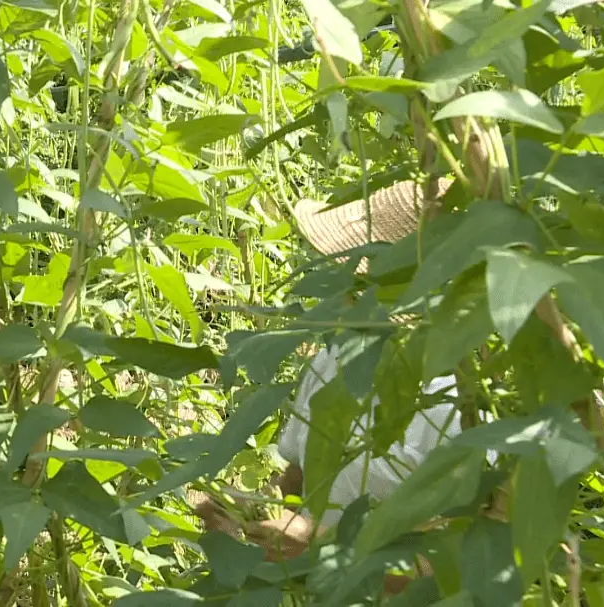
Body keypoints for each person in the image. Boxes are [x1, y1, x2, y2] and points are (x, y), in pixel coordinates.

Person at [196, 178, 460, 592]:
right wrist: (252, 513)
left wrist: (323, 549)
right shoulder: (335, 361)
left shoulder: (458, 403)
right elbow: (301, 482)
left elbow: (458, 576)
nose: (337, 290)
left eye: (354, 280)